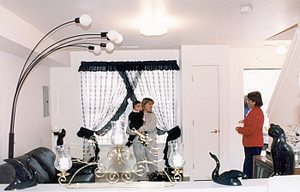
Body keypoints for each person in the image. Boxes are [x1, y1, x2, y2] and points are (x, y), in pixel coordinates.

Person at [236, 91, 264, 179]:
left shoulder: (255, 112)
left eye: (249, 100)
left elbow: (250, 130)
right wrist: (244, 121)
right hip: (253, 143)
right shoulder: (256, 111)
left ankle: (248, 182)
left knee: (249, 165)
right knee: (250, 164)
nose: (248, 102)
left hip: (253, 143)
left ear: (254, 101)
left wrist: (239, 129)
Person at [131, 98, 158, 179]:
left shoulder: (152, 115)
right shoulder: (136, 114)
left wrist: (140, 129)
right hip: (138, 142)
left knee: (152, 161)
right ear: (144, 105)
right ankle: (141, 179)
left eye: (152, 104)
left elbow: (151, 127)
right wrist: (136, 132)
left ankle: (155, 177)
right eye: (149, 104)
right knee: (140, 161)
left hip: (150, 141)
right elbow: (129, 129)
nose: (151, 106)